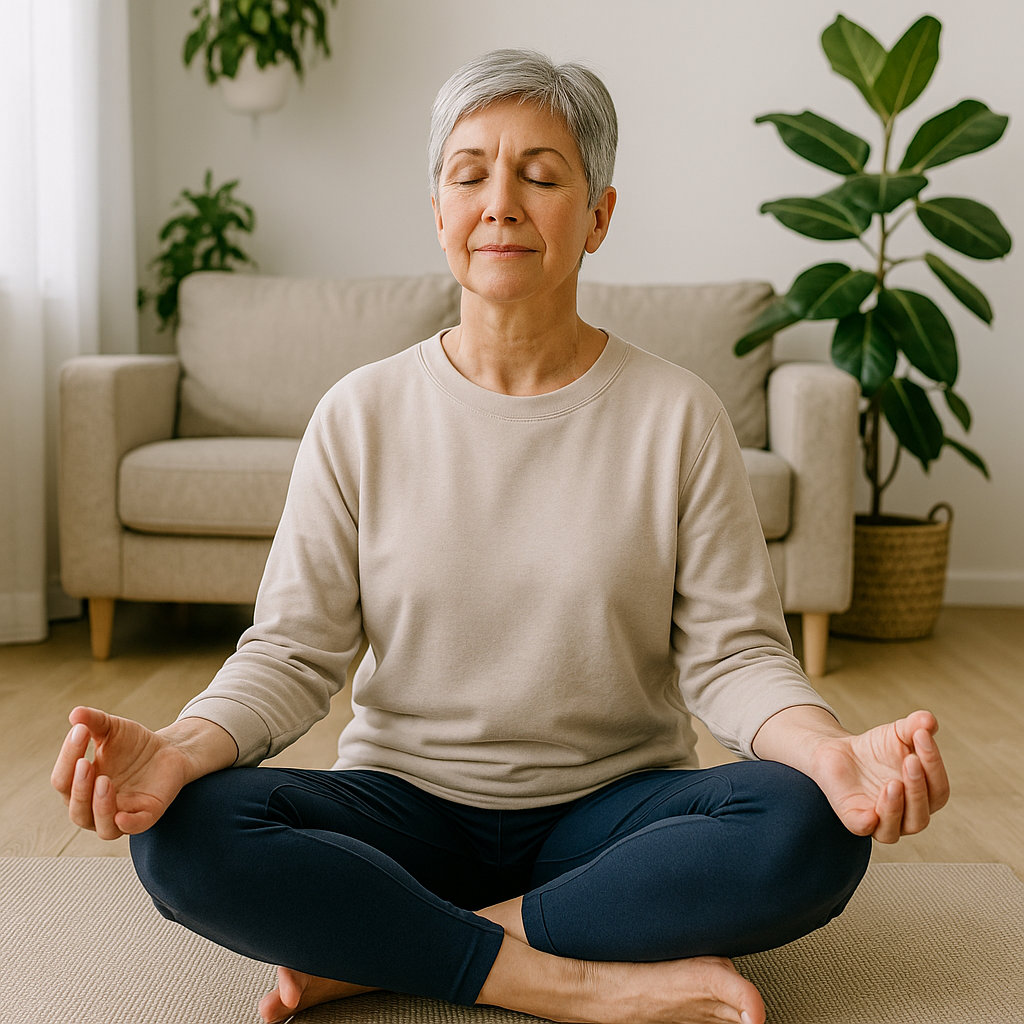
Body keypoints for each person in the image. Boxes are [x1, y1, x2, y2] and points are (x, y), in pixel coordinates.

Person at [52, 49, 949, 1024]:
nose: (501, 204)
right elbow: (291, 652)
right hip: (405, 809)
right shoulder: (360, 413)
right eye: (470, 174)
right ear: (438, 209)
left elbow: (734, 656)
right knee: (181, 829)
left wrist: (829, 749)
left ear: (598, 215)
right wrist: (179, 746)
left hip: (613, 816)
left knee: (808, 823)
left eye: (542, 176)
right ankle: (575, 981)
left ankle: (392, 947)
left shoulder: (679, 416)